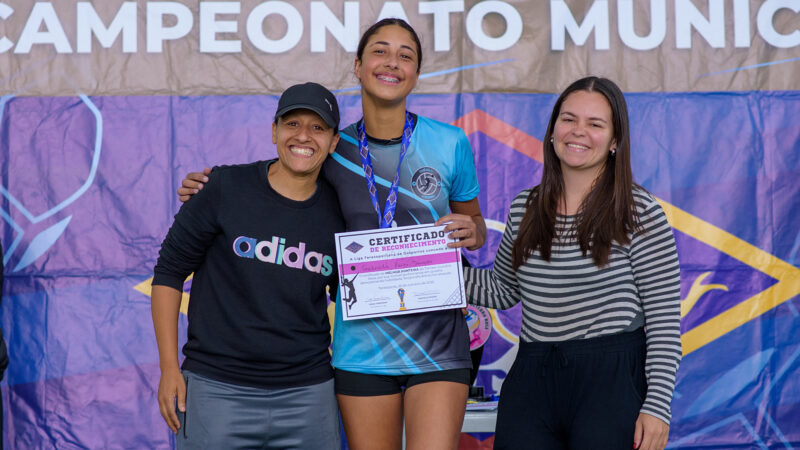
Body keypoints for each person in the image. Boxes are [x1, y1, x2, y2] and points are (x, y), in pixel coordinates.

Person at [178, 18, 487, 450]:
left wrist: (472, 230)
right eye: (380, 51)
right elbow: (277, 189)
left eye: (405, 55)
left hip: (437, 337)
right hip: (362, 347)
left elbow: (476, 228)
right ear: (358, 66)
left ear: (416, 74)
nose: (392, 62)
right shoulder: (331, 149)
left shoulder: (450, 142)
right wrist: (207, 187)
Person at [464, 76, 681, 450]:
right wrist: (425, 271)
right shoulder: (525, 207)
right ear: (552, 131)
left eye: (595, 124)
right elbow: (502, 290)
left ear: (615, 140)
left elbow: (663, 321)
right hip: (532, 376)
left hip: (611, 380)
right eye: (568, 119)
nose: (578, 131)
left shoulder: (638, 212)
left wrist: (657, 407)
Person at [151, 82, 345, 449]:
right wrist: (169, 368)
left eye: (318, 127)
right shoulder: (223, 187)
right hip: (216, 389)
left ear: (334, 142)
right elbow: (169, 273)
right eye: (292, 124)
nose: (303, 136)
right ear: (274, 131)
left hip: (308, 395)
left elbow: (351, 293)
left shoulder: (342, 211)